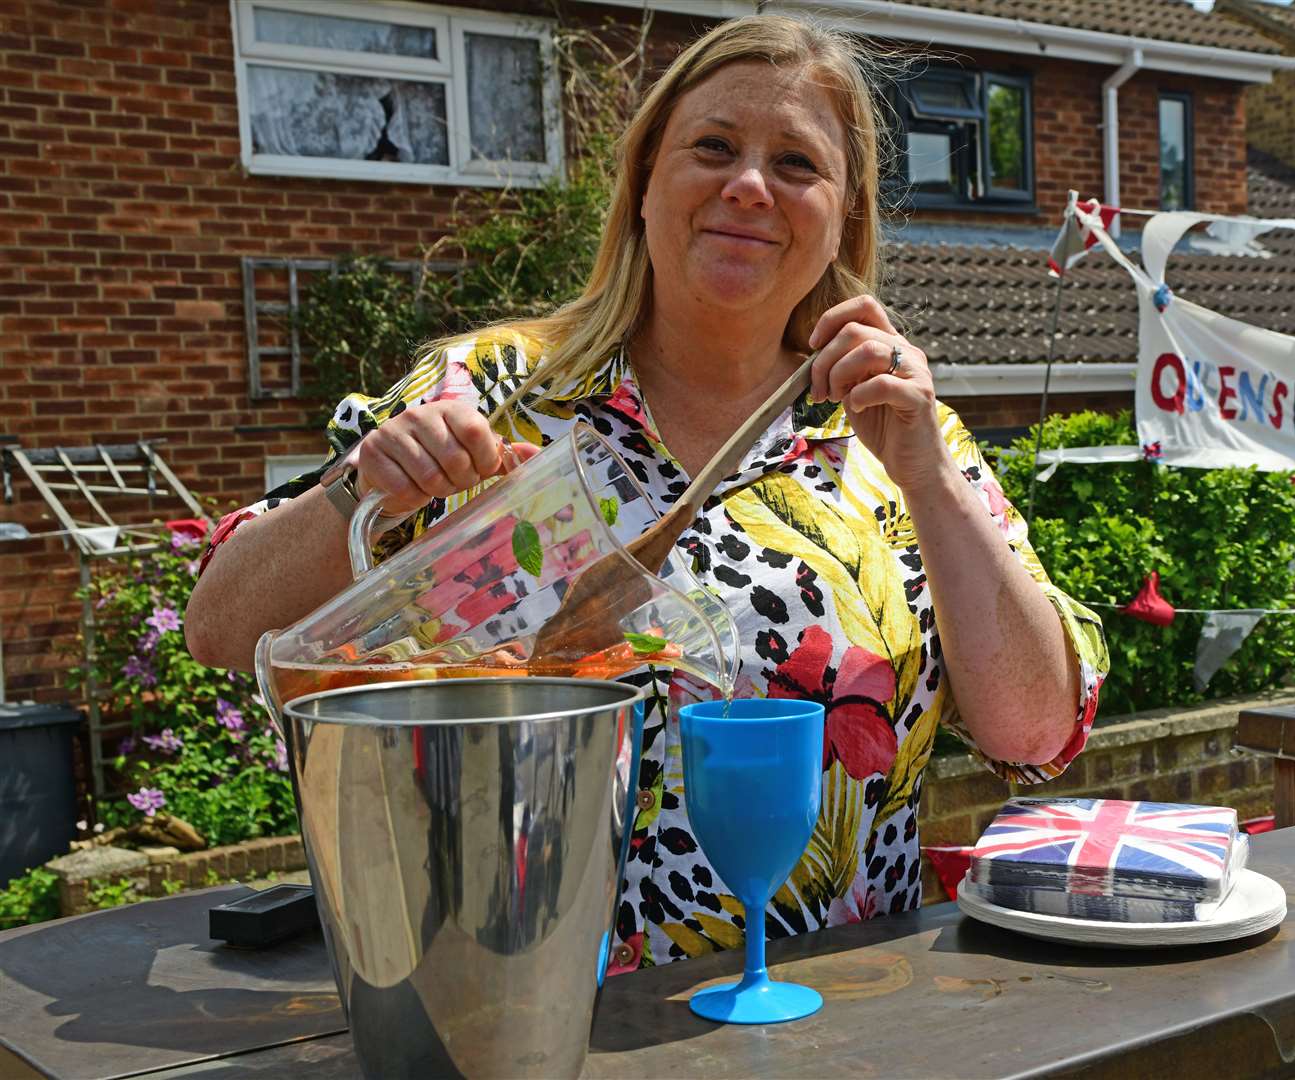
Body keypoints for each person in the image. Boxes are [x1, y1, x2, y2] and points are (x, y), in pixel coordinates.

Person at [186, 14, 1107, 970]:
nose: (749, 185)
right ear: (642, 184)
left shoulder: (904, 436)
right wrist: (362, 485)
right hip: (509, 1007)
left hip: (835, 1014)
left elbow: (1036, 736)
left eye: (797, 163)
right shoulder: (496, 391)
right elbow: (219, 628)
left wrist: (929, 480)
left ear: (845, 216)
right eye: (713, 146)